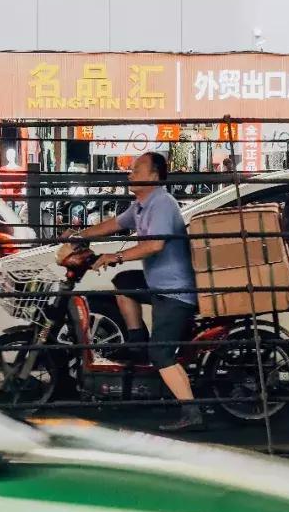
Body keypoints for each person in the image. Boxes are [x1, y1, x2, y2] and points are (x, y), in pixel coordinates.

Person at [77, 152, 204, 432]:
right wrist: (79, 236)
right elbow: (114, 224)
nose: (129, 174)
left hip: (174, 292)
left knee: (161, 354)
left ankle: (192, 413)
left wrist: (116, 256)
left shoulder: (161, 204)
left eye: (136, 170)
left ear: (154, 176)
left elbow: (155, 245)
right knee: (124, 283)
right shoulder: (141, 205)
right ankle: (137, 342)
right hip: (157, 284)